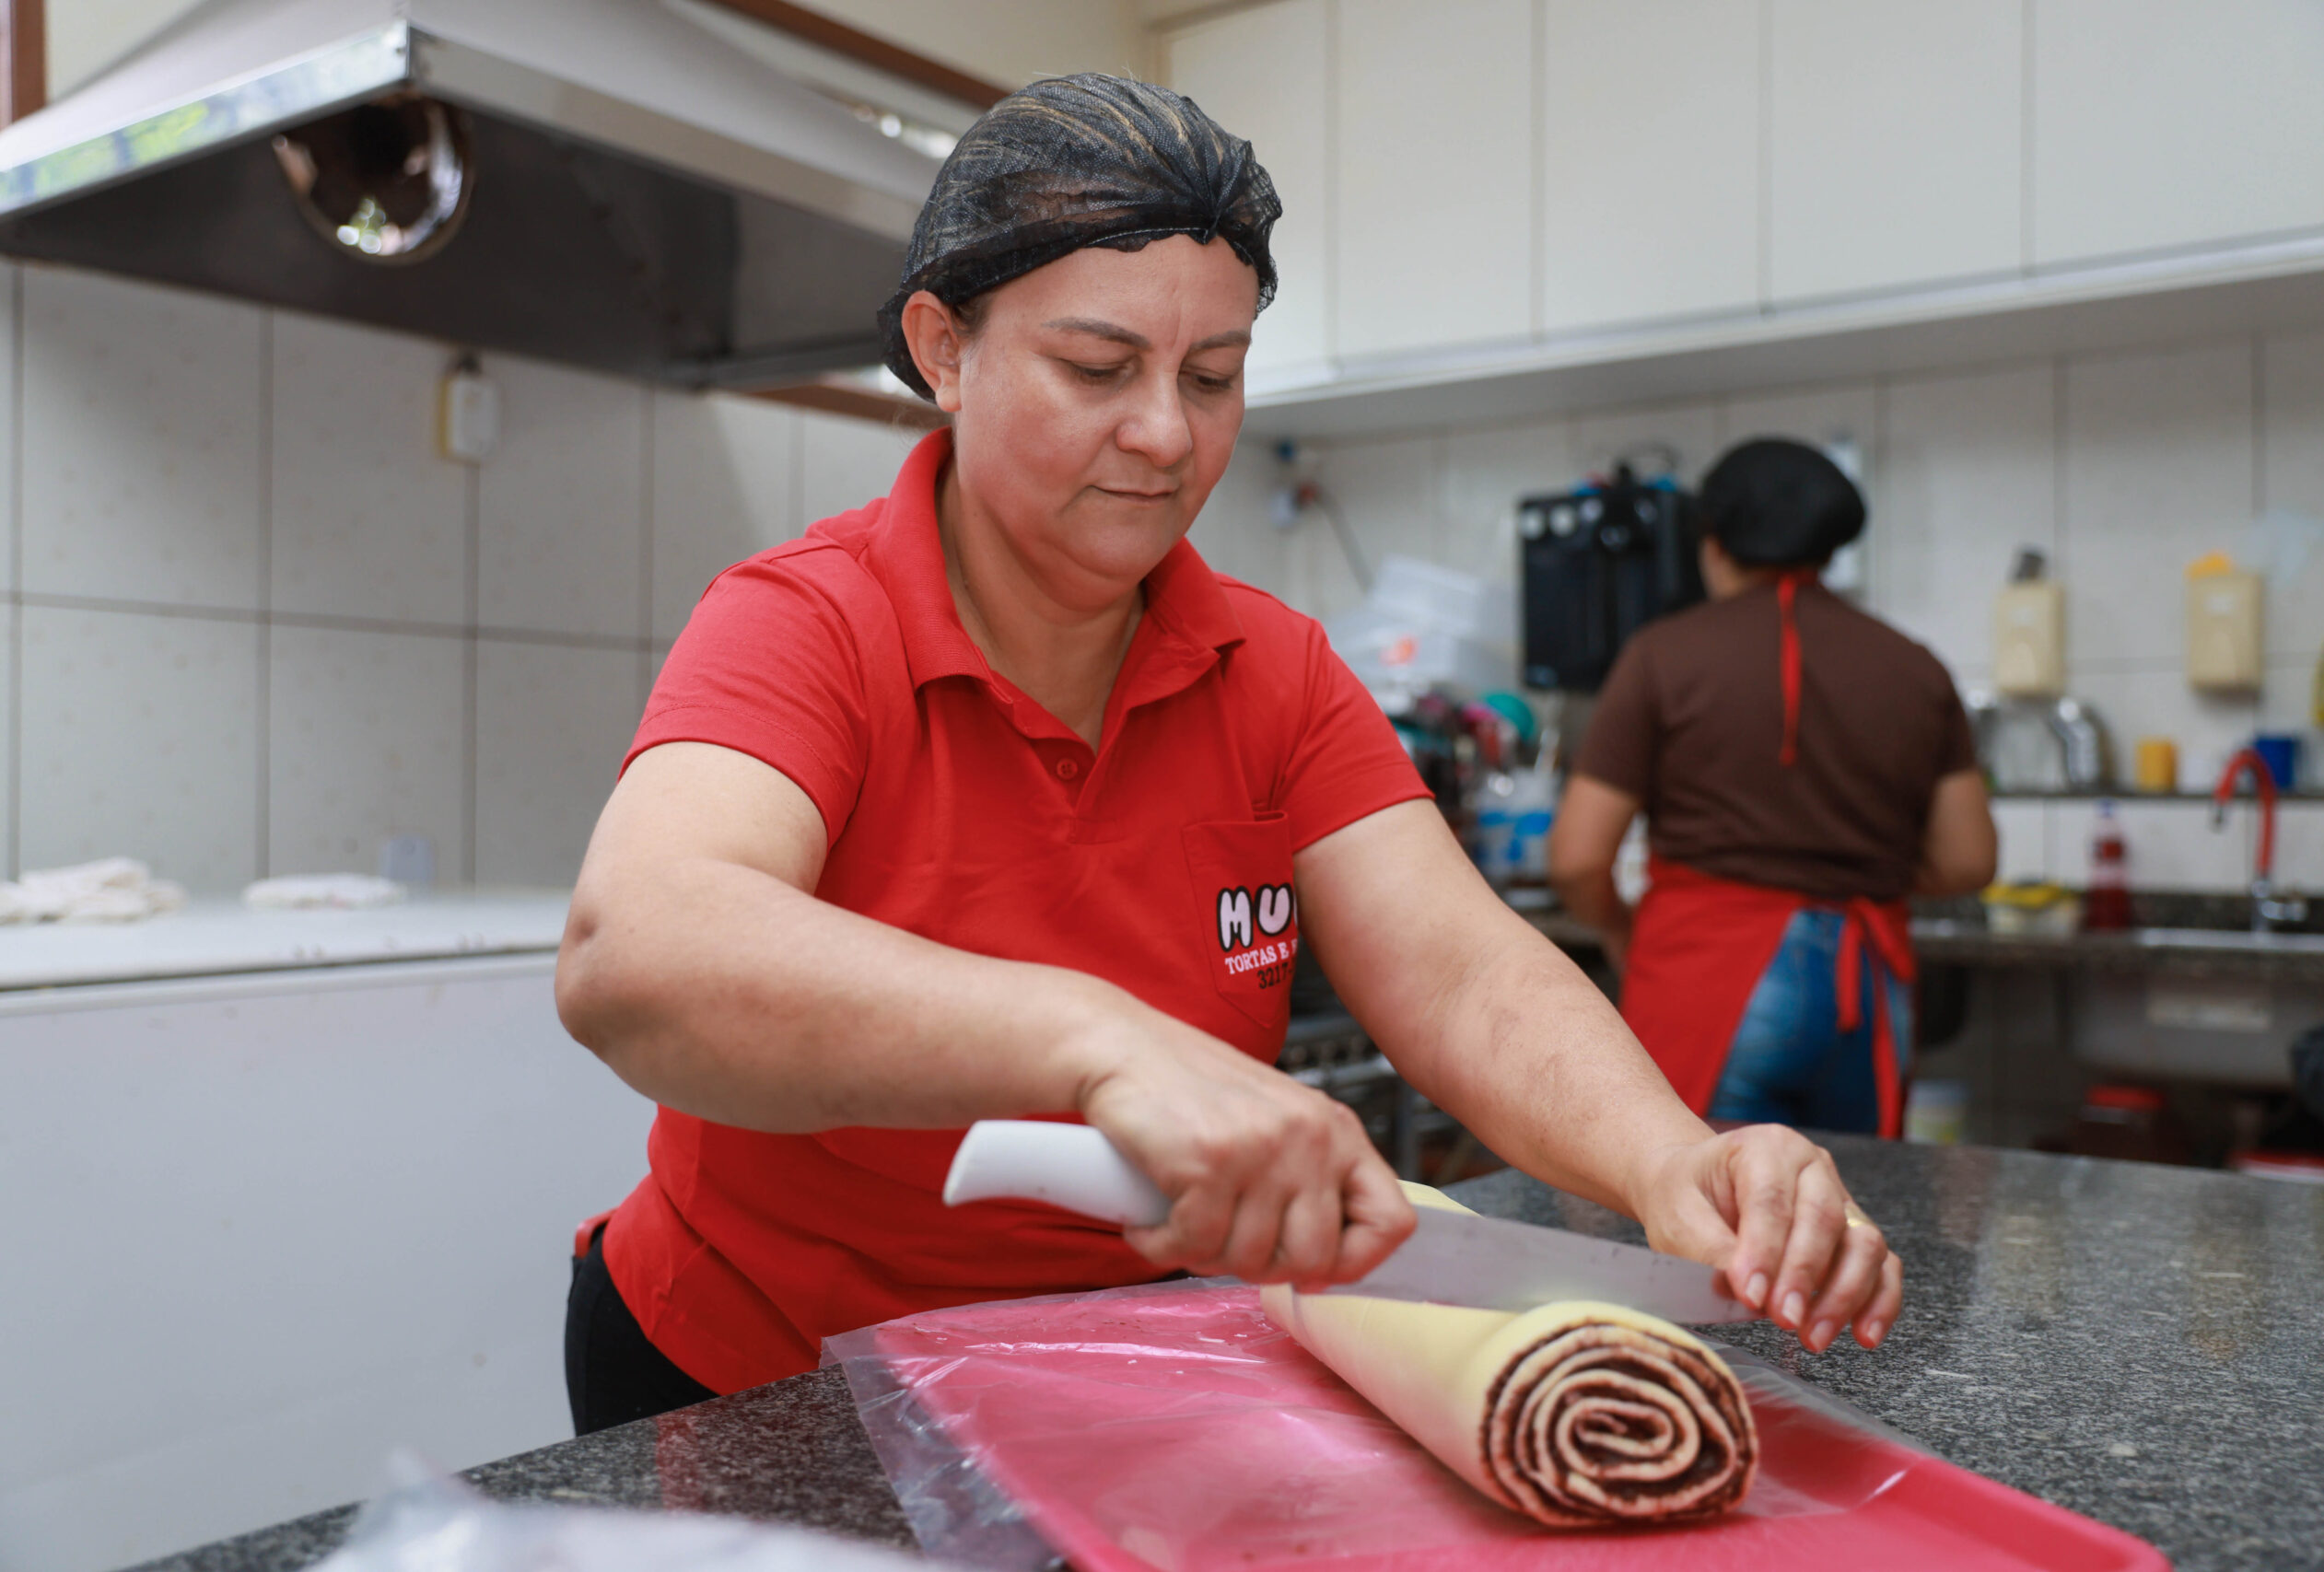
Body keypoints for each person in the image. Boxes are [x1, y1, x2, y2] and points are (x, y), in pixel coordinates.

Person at [555, 76, 1902, 1437]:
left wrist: (1671, 1158)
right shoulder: (810, 620)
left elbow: (1459, 967)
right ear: (943, 347)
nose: (1166, 434)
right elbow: (640, 950)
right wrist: (1101, 1039)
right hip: (766, 1379)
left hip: (1112, 1380)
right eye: (1097, 369)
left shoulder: (1275, 670)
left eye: (1214, 377)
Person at [1549, 438, 1997, 1139]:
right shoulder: (1915, 667)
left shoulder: (1663, 655)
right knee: (1844, 1222)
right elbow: (1969, 859)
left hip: (1711, 976)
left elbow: (1577, 856)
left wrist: (1617, 925)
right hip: (1866, 981)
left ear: (1714, 543)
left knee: (1702, 1218)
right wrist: (1851, 870)